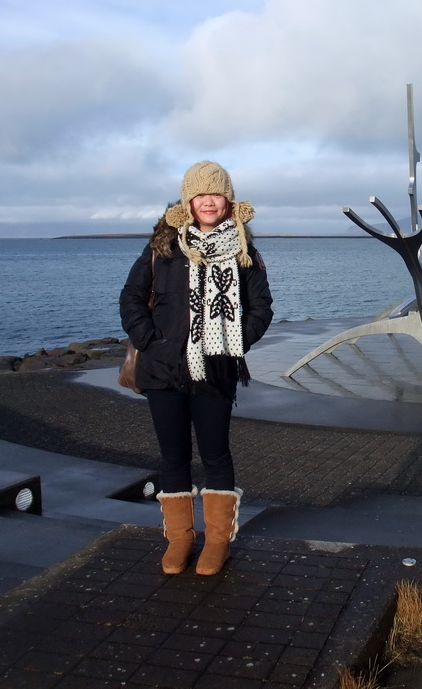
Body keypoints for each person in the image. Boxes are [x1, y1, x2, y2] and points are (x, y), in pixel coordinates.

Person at [119, 161, 273, 575]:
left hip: (216, 372)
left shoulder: (244, 250)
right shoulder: (163, 248)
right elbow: (132, 298)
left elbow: (260, 307)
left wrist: (235, 343)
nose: (208, 201)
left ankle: (217, 541)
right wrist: (151, 341)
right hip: (163, 371)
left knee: (216, 455)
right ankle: (180, 540)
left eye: (217, 193)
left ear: (228, 200)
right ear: (188, 200)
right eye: (200, 194)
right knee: (173, 457)